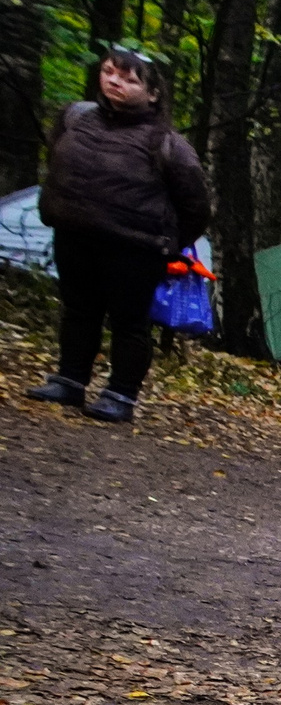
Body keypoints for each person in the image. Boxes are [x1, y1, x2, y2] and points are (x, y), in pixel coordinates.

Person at [25, 48, 208, 424]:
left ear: (152, 92)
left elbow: (197, 207)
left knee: (129, 322)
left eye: (129, 78)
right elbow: (55, 160)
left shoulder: (168, 144)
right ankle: (70, 380)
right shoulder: (75, 118)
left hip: (134, 249)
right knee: (78, 311)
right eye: (109, 72)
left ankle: (120, 395)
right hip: (74, 234)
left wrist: (166, 242)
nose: (114, 81)